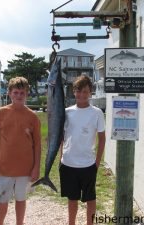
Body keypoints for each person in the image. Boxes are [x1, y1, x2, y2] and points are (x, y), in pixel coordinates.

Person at [0, 76, 41, 225]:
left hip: (25, 169)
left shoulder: (33, 117)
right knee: (2, 201)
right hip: (4, 169)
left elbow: (37, 145)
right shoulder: (0, 113)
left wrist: (36, 167)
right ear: (9, 93)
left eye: (22, 93)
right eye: (16, 92)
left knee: (21, 200)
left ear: (26, 94)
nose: (19, 96)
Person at [59, 75, 106, 225]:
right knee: (72, 199)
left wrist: (97, 163)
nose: (81, 95)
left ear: (90, 92)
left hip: (88, 164)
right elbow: (61, 137)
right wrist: (61, 156)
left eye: (85, 91)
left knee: (90, 199)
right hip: (68, 163)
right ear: (74, 92)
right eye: (78, 91)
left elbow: (102, 139)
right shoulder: (66, 112)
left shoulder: (97, 112)